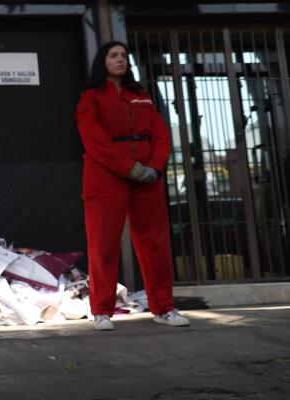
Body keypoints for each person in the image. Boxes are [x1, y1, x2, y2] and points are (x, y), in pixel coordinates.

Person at [75, 42, 190, 331]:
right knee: (103, 244)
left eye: (124, 56)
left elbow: (161, 135)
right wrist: (129, 168)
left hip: (147, 178)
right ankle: (101, 310)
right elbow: (95, 141)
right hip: (106, 177)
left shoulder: (141, 96)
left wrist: (155, 167)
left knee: (156, 243)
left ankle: (164, 308)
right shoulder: (91, 97)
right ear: (102, 61)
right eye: (114, 56)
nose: (120, 60)